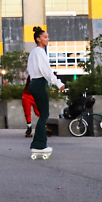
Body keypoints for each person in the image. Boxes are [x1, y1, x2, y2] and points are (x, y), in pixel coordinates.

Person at [27, 28, 65, 156]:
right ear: (38, 39)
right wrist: (58, 83)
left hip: (35, 83)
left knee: (43, 114)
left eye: (48, 37)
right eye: (45, 37)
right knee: (44, 114)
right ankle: (39, 145)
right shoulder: (39, 51)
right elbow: (46, 70)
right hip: (38, 82)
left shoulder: (34, 52)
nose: (47, 39)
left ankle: (38, 144)